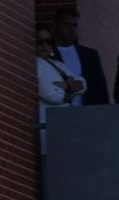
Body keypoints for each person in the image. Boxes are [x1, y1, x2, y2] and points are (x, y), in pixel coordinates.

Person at [36, 24, 84, 154]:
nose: (44, 45)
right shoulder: (34, 65)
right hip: (48, 125)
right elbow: (54, 96)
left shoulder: (58, 64)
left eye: (48, 42)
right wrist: (70, 87)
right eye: (40, 42)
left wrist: (65, 86)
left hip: (64, 125)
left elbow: (83, 84)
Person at [50, 5, 109, 107]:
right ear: (55, 25)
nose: (71, 29)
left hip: (87, 114)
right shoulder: (48, 55)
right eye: (66, 24)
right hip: (57, 113)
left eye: (74, 25)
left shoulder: (90, 55)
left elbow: (100, 89)